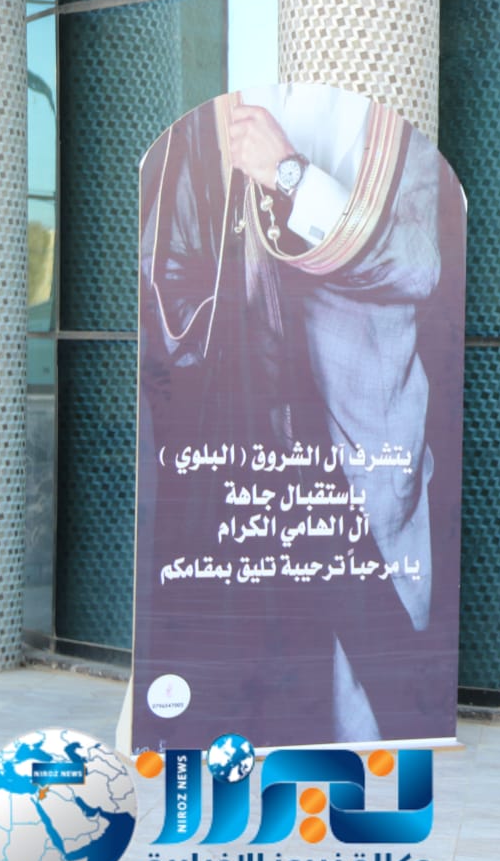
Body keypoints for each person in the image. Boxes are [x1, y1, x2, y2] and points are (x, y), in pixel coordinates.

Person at [138, 84, 459, 745]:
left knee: (363, 706)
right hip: (239, 449)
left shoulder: (389, 119)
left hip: (365, 452)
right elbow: (162, 274)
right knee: (252, 692)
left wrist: (292, 178)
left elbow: (421, 265)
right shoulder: (210, 117)